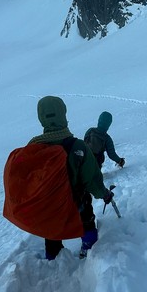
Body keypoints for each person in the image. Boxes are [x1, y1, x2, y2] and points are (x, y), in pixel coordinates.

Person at [29, 95, 114, 260]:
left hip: (49, 205)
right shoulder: (77, 146)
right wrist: (104, 194)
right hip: (77, 202)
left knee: (51, 231)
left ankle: (53, 258)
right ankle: (89, 251)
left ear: (41, 117)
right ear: (63, 114)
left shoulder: (34, 147)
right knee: (87, 221)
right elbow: (92, 179)